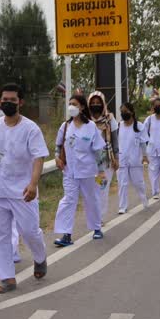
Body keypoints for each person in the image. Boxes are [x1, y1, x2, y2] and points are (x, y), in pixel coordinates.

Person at [0, 83, 50, 293]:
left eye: (12, 100)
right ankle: (7, 278)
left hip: (24, 192)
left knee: (30, 231)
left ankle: (40, 258)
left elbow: (39, 157)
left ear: (20, 102)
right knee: (0, 234)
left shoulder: (30, 128)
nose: (7, 103)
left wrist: (33, 184)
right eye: (4, 99)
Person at [54, 95, 106, 245]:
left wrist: (101, 170)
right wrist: (57, 157)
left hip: (88, 172)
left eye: (74, 104)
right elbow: (58, 146)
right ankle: (66, 235)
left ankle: (96, 228)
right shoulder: (65, 127)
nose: (71, 107)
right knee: (68, 201)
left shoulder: (91, 127)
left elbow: (98, 151)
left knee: (92, 200)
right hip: (69, 171)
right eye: (69, 104)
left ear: (82, 107)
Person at [0, 93, 21, 264]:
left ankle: (14, 250)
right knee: (1, 227)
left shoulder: (22, 127)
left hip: (18, 185)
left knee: (19, 224)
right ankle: (7, 257)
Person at [88, 91, 119, 218]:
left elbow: (115, 139)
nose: (96, 105)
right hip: (89, 162)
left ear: (103, 103)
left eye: (98, 103)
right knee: (92, 191)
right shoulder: (85, 120)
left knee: (102, 189)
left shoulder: (110, 119)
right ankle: (94, 216)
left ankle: (99, 217)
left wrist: (116, 158)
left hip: (106, 161)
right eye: (93, 103)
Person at [116, 102, 149, 214]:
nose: (124, 113)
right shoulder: (119, 126)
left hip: (135, 159)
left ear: (132, 112)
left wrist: (145, 156)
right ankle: (122, 207)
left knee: (138, 183)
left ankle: (144, 198)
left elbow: (143, 143)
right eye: (122, 112)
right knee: (122, 183)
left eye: (126, 111)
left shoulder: (139, 126)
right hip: (122, 160)